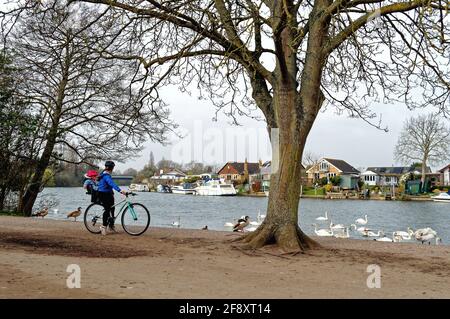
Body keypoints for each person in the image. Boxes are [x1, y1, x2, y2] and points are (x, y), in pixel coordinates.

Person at [97, 161, 127, 235]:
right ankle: (103, 227)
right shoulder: (106, 175)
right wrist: (120, 190)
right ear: (111, 168)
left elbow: (110, 185)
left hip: (109, 193)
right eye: (112, 168)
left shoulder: (107, 174)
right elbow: (111, 183)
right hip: (102, 194)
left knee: (113, 208)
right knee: (107, 210)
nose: (112, 169)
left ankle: (111, 225)